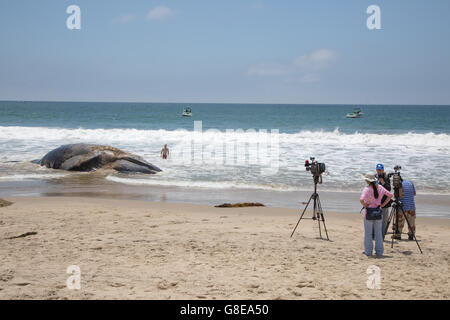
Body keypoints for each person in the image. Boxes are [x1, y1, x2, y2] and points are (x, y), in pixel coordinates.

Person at [360, 173, 393, 257]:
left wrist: (365, 205)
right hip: (378, 211)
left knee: (368, 233)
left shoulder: (366, 189)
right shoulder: (380, 187)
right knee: (378, 233)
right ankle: (379, 252)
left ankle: (368, 251)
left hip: (369, 212)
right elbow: (390, 195)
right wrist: (382, 205)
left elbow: (361, 199)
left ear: (367, 180)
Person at [375, 163, 391, 238]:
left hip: (384, 202)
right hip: (376, 202)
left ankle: (382, 235)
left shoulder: (386, 177)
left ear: (383, 170)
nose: (379, 171)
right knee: (375, 218)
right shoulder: (375, 176)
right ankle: (375, 234)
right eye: (378, 170)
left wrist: (383, 183)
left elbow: (389, 189)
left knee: (384, 220)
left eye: (380, 170)